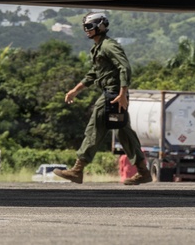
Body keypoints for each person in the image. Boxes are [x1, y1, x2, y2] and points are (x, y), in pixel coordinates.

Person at [54, 12, 151, 185]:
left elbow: (125, 67)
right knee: (124, 131)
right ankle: (143, 171)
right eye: (85, 27)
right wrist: (75, 90)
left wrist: (122, 94)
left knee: (94, 127)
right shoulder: (98, 48)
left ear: (100, 26)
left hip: (113, 94)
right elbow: (93, 74)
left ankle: (77, 169)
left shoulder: (108, 46)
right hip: (112, 93)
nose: (87, 31)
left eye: (90, 27)